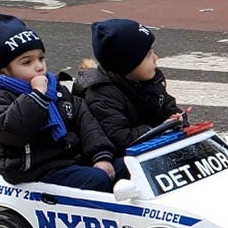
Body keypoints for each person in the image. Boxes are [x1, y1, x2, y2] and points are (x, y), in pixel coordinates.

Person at [0, 14, 119, 191]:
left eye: (41, 58)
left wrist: (101, 155)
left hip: (66, 158)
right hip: (33, 168)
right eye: (27, 62)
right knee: (96, 180)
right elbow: (11, 129)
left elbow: (85, 123)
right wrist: (37, 96)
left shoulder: (54, 88)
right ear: (3, 72)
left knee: (124, 166)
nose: (39, 66)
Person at [73, 19, 182, 155]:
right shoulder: (101, 96)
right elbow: (121, 140)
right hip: (124, 158)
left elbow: (167, 104)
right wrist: (160, 129)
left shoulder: (150, 81)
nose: (156, 58)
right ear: (127, 64)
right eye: (148, 55)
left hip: (151, 146)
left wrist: (176, 119)